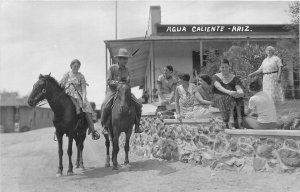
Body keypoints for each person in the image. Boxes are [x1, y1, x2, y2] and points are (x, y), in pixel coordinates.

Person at [101, 48, 142, 135]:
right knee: (105, 105)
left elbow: (128, 81)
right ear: (118, 59)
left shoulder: (127, 70)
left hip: (124, 91)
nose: (125, 60)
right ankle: (105, 126)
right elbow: (108, 81)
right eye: (123, 58)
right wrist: (118, 83)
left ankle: (137, 125)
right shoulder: (112, 68)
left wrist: (127, 82)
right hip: (113, 91)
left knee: (138, 104)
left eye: (126, 58)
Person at [60, 59, 100, 140]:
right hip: (68, 93)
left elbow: (84, 89)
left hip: (79, 94)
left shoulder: (81, 76)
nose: (76, 68)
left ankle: (93, 131)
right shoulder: (67, 74)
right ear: (71, 66)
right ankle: (58, 128)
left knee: (87, 110)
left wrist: (84, 99)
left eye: (78, 66)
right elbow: (60, 84)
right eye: (74, 66)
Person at [212, 59, 244, 129]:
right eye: (222, 67)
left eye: (226, 67)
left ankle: (239, 120)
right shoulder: (216, 77)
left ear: (229, 67)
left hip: (231, 96)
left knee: (239, 98)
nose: (224, 69)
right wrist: (230, 92)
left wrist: (240, 93)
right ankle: (231, 121)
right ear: (220, 68)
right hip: (218, 96)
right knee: (230, 97)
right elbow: (218, 87)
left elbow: (238, 87)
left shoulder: (234, 78)